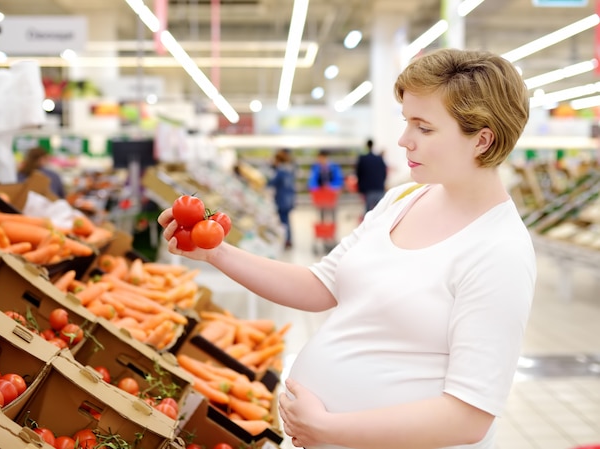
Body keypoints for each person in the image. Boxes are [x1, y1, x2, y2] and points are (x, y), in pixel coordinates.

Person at [158, 48, 536, 449]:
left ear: (482, 139)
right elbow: (320, 285)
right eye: (407, 122)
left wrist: (328, 429)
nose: (405, 140)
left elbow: (468, 417)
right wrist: (216, 252)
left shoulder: (499, 251)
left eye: (424, 128)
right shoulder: (402, 200)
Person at [268, 149, 297, 249]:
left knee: (284, 221)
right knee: (287, 220)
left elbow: (271, 183)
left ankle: (286, 240)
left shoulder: (280, 171)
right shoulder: (289, 169)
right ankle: (289, 239)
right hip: (289, 199)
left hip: (282, 200)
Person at [308, 149, 344, 223]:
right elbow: (312, 181)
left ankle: (332, 225)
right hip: (321, 192)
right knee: (321, 210)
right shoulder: (316, 167)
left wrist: (331, 186)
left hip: (331, 192)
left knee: (333, 209)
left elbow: (339, 180)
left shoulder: (334, 167)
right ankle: (323, 226)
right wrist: (315, 189)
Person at [356, 138, 387, 213]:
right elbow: (384, 173)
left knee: (368, 212)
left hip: (367, 189)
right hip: (379, 188)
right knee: (380, 211)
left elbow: (358, 173)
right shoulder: (379, 158)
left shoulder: (362, 159)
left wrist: (360, 188)